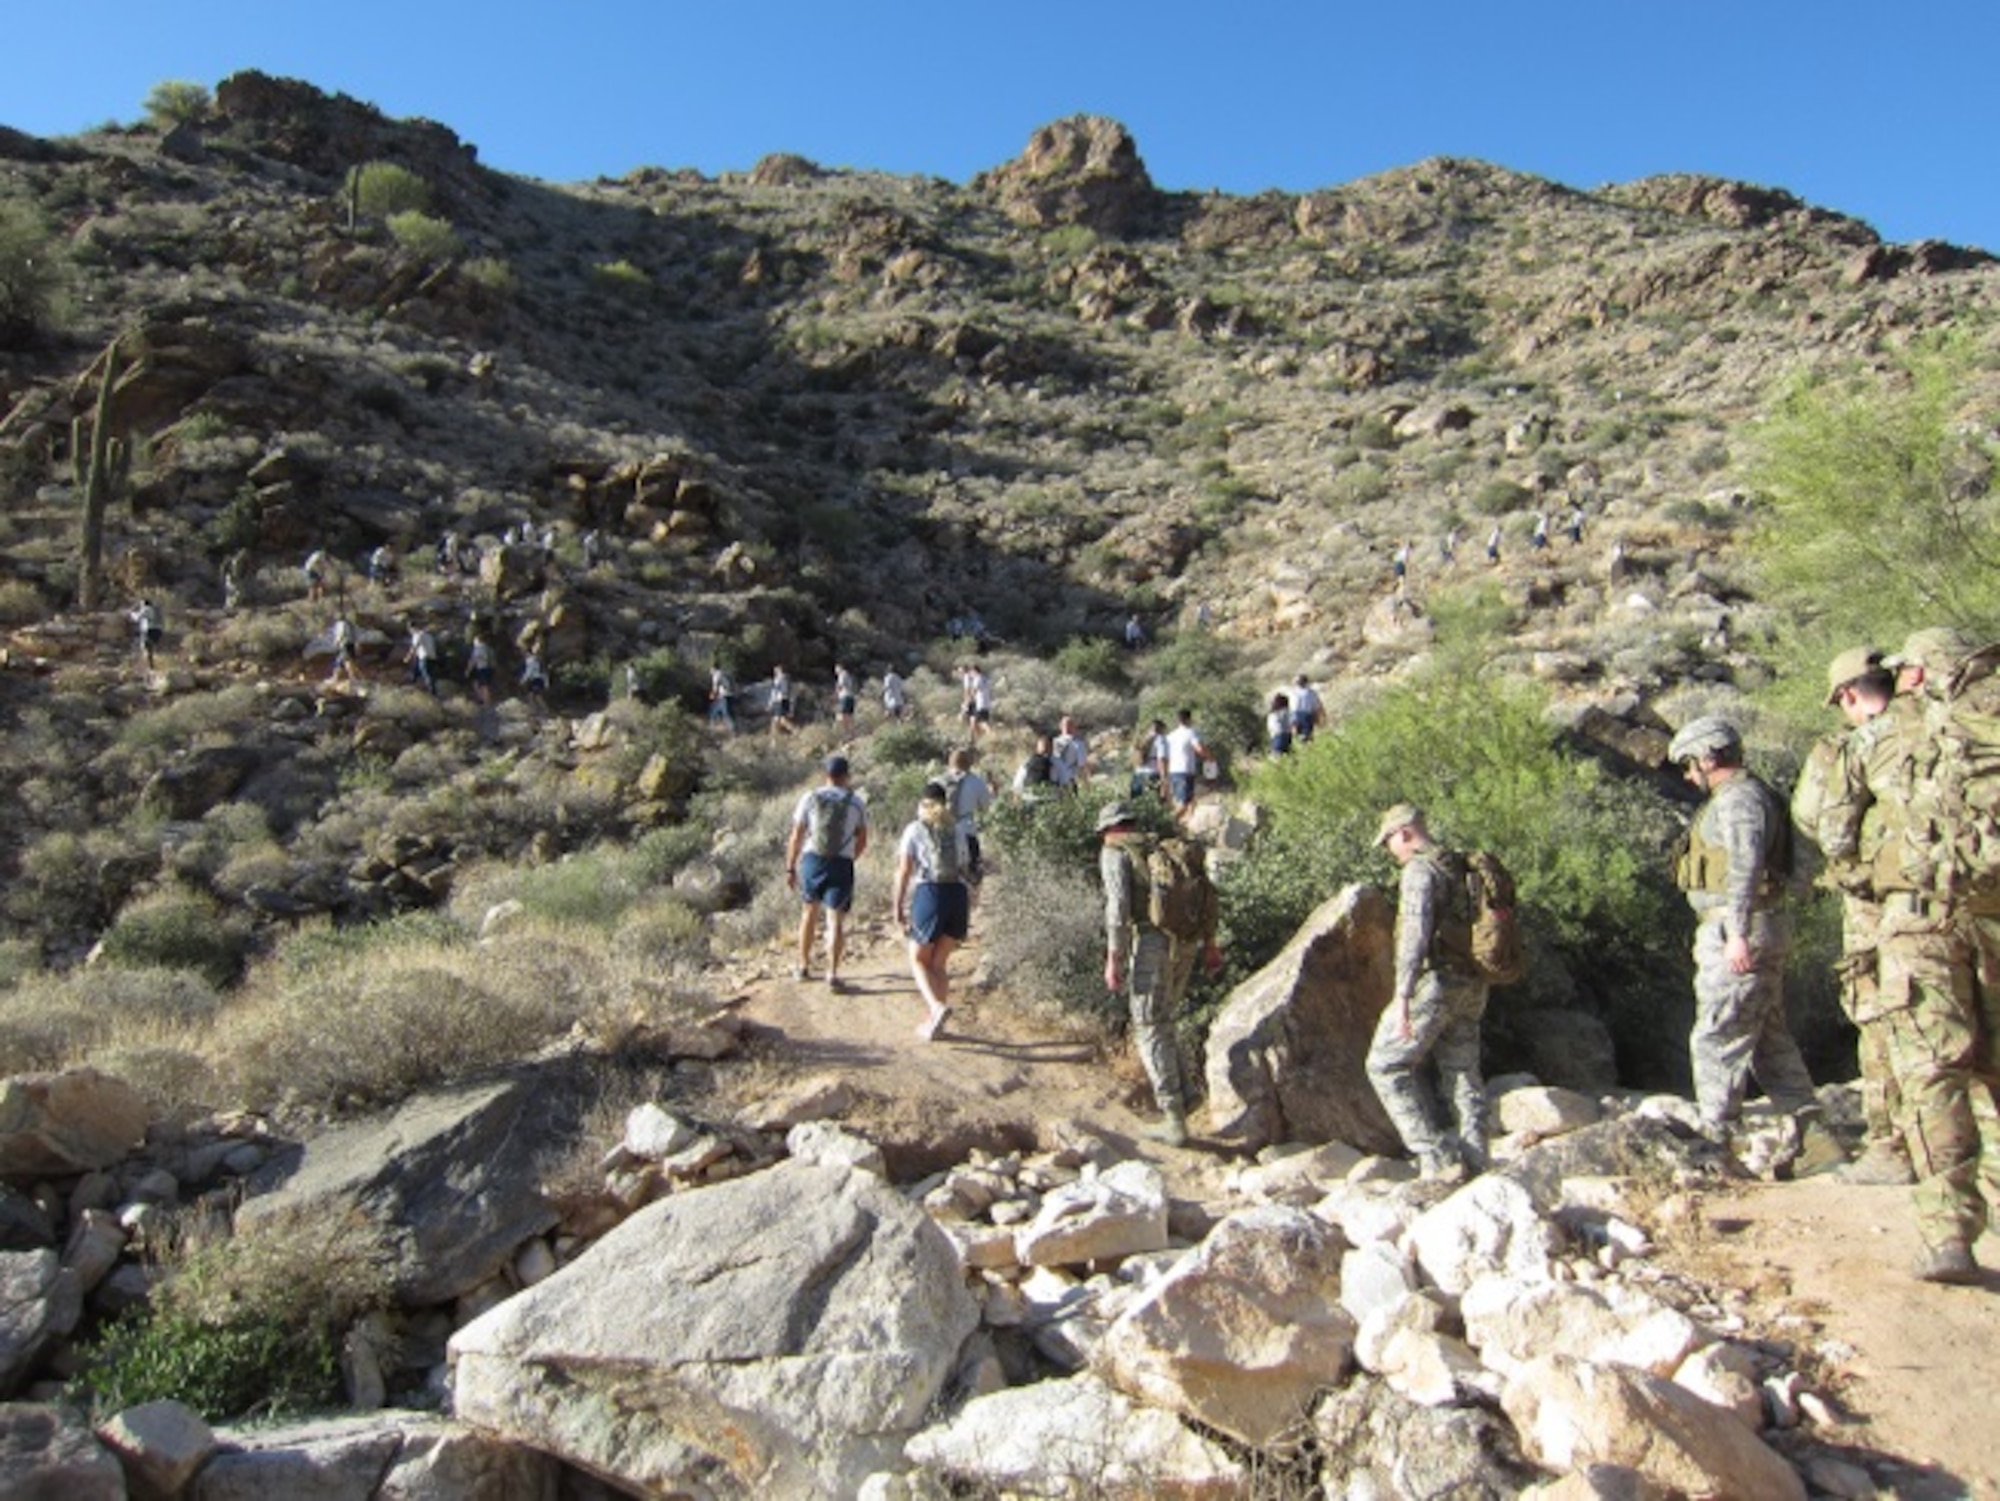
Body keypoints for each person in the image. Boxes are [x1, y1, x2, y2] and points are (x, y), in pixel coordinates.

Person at [1854, 628, 1999, 1282]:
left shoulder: (1891, 733)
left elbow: (1827, 814)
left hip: (1919, 920)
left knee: (1932, 1073)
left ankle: (1949, 1234)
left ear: (1913, 674)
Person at [1667, 715, 1840, 1174]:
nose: (1688, 776)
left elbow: (1745, 864)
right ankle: (1814, 1138)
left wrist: (1738, 932)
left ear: (1708, 758)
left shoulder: (1739, 800)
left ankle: (1715, 1144)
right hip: (1755, 927)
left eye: (1689, 765)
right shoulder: (1748, 795)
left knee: (1717, 1035)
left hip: (1738, 929)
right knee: (1766, 1037)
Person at [1793, 647, 1911, 1186]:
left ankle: (1895, 1144)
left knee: (1882, 1013)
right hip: (1968, 898)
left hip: (1881, 904)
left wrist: (1853, 866)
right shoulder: (1943, 725)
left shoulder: (1856, 746)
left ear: (1847, 694)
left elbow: (1826, 825)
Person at [1365, 804, 1491, 1182]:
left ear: (1404, 833)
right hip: (1473, 984)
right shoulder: (1462, 866)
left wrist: (1402, 996)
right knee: (1463, 1071)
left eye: (1389, 842)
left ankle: (1436, 1158)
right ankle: (1478, 1159)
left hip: (1433, 985)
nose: (1391, 851)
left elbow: (1415, 937)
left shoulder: (1420, 870)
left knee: (1385, 1065)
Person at [1099, 802, 1221, 1145]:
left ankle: (1173, 1119)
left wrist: (1114, 958)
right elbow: (1207, 897)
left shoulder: (1114, 852)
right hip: (1186, 944)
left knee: (1149, 1026)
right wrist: (1210, 944)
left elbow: (1118, 908)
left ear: (1108, 829)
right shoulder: (1160, 847)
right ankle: (1185, 1093)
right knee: (1164, 1020)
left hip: (1152, 946)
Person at [894, 781, 971, 1042]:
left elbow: (905, 869)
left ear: (923, 803)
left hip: (931, 894)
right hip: (958, 896)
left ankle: (936, 1008)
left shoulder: (915, 829)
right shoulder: (957, 829)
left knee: (918, 959)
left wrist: (898, 906)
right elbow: (965, 865)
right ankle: (934, 1022)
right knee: (938, 963)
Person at [785, 756, 869, 989]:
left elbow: (797, 835)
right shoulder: (856, 802)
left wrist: (791, 867)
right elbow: (862, 839)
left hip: (813, 860)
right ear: (846, 776)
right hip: (841, 863)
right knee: (835, 920)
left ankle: (803, 966)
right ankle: (832, 973)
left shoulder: (810, 798)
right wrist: (850, 858)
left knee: (808, 913)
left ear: (826, 775)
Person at [945, 746, 994, 879]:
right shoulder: (976, 782)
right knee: (973, 876)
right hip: (967, 832)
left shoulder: (938, 781)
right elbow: (988, 807)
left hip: (942, 834)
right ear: (970, 763)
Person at [1164, 709, 1210, 823]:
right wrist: (1210, 758)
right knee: (1184, 804)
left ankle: (1184, 827)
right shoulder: (1190, 732)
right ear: (1189, 719)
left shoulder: (1170, 736)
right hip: (1185, 771)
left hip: (1173, 771)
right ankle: (1166, 823)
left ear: (1178, 720)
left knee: (1188, 801)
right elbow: (1199, 748)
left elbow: (1166, 755)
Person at [1130, 717, 1170, 801]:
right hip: (1152, 775)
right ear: (1161, 728)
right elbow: (1161, 760)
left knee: (1136, 804)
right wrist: (1164, 779)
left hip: (1137, 775)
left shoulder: (1141, 738)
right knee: (1155, 804)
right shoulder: (1160, 739)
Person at [1052, 715, 1091, 790]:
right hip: (1068, 780)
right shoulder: (1078, 744)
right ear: (1074, 728)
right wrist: (1086, 785)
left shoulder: (1053, 742)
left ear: (1060, 727)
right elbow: (1082, 766)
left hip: (1054, 780)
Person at [1012, 735, 1057, 800]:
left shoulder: (1027, 762)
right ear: (1051, 749)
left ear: (1037, 748)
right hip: (1047, 799)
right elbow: (1060, 783)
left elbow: (1017, 785)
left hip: (1029, 798)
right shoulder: (1054, 763)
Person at [961, 662, 994, 740]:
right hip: (987, 703)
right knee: (977, 721)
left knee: (982, 722)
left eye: (971, 672)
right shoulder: (985, 678)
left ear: (974, 671)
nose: (970, 674)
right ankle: (979, 739)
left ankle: (992, 736)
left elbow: (973, 692)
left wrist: (966, 703)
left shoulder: (977, 679)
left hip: (980, 703)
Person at [405, 622, 439, 696]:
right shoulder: (428, 635)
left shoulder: (417, 635)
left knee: (427, 676)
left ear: (412, 628)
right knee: (421, 672)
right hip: (432, 658)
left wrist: (408, 657)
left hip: (424, 658)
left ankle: (432, 693)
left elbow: (414, 647)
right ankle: (413, 683)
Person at [129, 597, 163, 673]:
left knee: (146, 648)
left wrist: (131, 613)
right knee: (150, 648)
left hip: (150, 630)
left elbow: (137, 618)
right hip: (158, 630)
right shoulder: (156, 610)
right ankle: (151, 665)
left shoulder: (146, 609)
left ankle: (150, 667)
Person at [1290, 674, 1326, 744]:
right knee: (1307, 737)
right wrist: (1322, 716)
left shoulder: (1292, 693)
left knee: (1297, 737)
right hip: (1306, 716)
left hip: (1294, 716)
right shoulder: (1310, 693)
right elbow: (1317, 707)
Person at [327, 616, 361, 689]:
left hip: (344, 645)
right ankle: (335, 678)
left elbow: (341, 634)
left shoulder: (341, 624)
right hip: (349, 644)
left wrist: (336, 643)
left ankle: (353, 678)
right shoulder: (349, 624)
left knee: (347, 662)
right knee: (340, 662)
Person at [466, 632, 495, 705]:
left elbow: (473, 660)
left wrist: (468, 670)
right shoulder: (489, 648)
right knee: (483, 685)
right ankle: (484, 700)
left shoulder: (478, 648)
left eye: (475, 640)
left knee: (484, 686)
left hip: (482, 668)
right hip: (490, 668)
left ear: (478, 640)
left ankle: (486, 702)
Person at [708, 662, 737, 733]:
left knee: (718, 713)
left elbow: (715, 687)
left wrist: (712, 695)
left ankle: (714, 730)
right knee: (729, 713)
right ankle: (732, 728)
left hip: (723, 696)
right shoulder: (725, 673)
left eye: (710, 669)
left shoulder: (716, 675)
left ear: (713, 668)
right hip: (731, 695)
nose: (710, 671)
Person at [768, 666, 796, 737]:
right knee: (776, 720)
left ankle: (795, 731)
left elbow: (783, 692)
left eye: (776, 670)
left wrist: (774, 701)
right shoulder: (779, 679)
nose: (774, 671)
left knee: (779, 719)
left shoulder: (783, 679)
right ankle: (774, 737)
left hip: (780, 701)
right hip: (779, 701)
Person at [833, 663, 859, 732]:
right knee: (849, 717)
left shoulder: (842, 674)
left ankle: (848, 732)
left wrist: (835, 694)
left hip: (845, 697)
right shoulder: (848, 675)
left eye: (836, 668)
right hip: (850, 697)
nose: (835, 671)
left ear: (840, 668)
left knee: (841, 717)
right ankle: (852, 732)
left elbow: (840, 686)